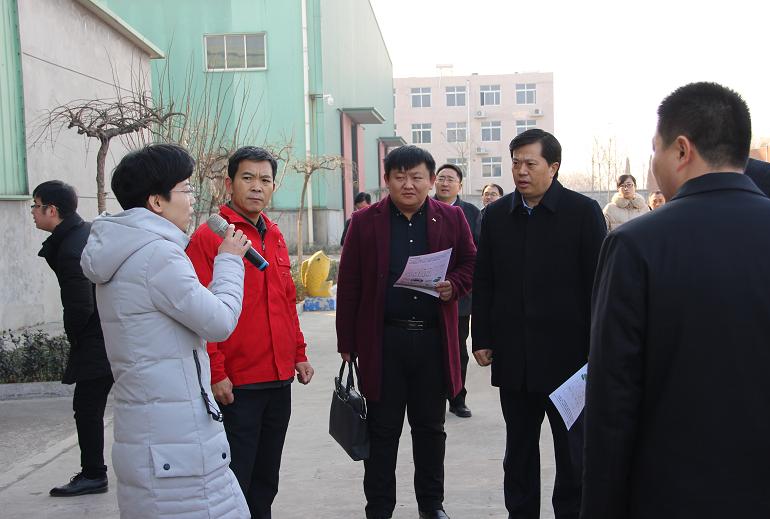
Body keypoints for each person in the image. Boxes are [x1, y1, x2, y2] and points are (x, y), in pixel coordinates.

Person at [581, 82, 770, 519]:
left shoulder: (636, 244)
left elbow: (613, 398)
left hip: (671, 492)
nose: (653, 165)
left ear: (682, 150)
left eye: (656, 150)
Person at [80, 143, 251, 518]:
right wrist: (229, 262)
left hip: (155, 435)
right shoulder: (157, 255)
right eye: (185, 189)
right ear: (157, 201)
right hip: (176, 443)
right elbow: (219, 321)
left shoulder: (126, 250)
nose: (192, 200)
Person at [471, 129, 606, 519]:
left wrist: (598, 348)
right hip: (515, 357)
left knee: (573, 455)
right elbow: (485, 279)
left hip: (570, 362)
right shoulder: (496, 215)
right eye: (515, 163)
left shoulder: (582, 212)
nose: (521, 171)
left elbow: (600, 284)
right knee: (519, 451)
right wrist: (482, 336)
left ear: (554, 167)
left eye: (530, 163)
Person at [337, 145, 476, 519]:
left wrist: (453, 285)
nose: (408, 184)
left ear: (431, 180)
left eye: (417, 177)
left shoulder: (452, 217)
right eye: (400, 177)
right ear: (387, 180)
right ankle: (379, 508)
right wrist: (347, 341)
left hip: (432, 340)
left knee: (430, 429)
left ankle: (432, 506)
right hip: (384, 341)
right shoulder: (365, 221)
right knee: (382, 431)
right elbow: (349, 282)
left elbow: (470, 262)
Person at [187, 146, 313, 519]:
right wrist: (216, 371)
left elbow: (286, 301)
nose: (257, 187)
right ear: (229, 184)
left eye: (265, 180)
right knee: (235, 478)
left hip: (278, 378)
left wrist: (299, 353)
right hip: (238, 382)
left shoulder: (273, 234)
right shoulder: (211, 237)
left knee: (266, 478)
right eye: (247, 178)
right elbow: (198, 310)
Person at [31, 181, 113, 497]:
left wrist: (76, 338)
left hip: (97, 338)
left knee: (87, 407)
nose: (33, 212)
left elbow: (80, 305)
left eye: (36, 206)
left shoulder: (70, 250)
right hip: (109, 331)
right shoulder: (85, 233)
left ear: (52, 210)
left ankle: (94, 474)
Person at [433, 163, 480, 418]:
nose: (445, 183)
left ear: (459, 185)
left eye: (450, 179)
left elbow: (477, 254)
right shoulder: (423, 208)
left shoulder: (470, 213)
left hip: (459, 294)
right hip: (428, 291)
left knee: (458, 348)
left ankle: (457, 397)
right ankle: (432, 398)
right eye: (441, 178)